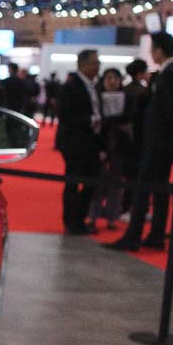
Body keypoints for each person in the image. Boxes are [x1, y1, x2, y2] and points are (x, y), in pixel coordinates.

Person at [105, 33, 173, 251]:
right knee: (158, 189)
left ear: (158, 50)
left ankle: (134, 236)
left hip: (160, 142)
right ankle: (155, 236)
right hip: (162, 141)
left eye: (152, 49)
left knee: (144, 188)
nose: (151, 53)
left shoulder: (172, 73)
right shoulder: (169, 73)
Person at [54, 49, 104, 234]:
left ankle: (79, 219)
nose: (97, 66)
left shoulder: (94, 86)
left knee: (92, 182)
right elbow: (65, 116)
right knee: (73, 182)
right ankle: (71, 222)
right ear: (82, 65)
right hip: (75, 143)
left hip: (92, 142)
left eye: (98, 62)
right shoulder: (70, 86)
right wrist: (90, 120)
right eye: (94, 62)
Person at [87, 68, 133, 229]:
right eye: (108, 78)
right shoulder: (97, 98)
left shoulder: (128, 98)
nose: (112, 81)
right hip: (100, 146)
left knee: (116, 184)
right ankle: (93, 216)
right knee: (96, 184)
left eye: (115, 78)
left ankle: (112, 218)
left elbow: (129, 119)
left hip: (120, 147)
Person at [121, 59, 152, 213]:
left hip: (126, 139)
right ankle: (136, 207)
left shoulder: (124, 89)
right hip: (141, 139)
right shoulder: (145, 92)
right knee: (139, 175)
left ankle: (126, 206)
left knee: (129, 175)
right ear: (140, 73)